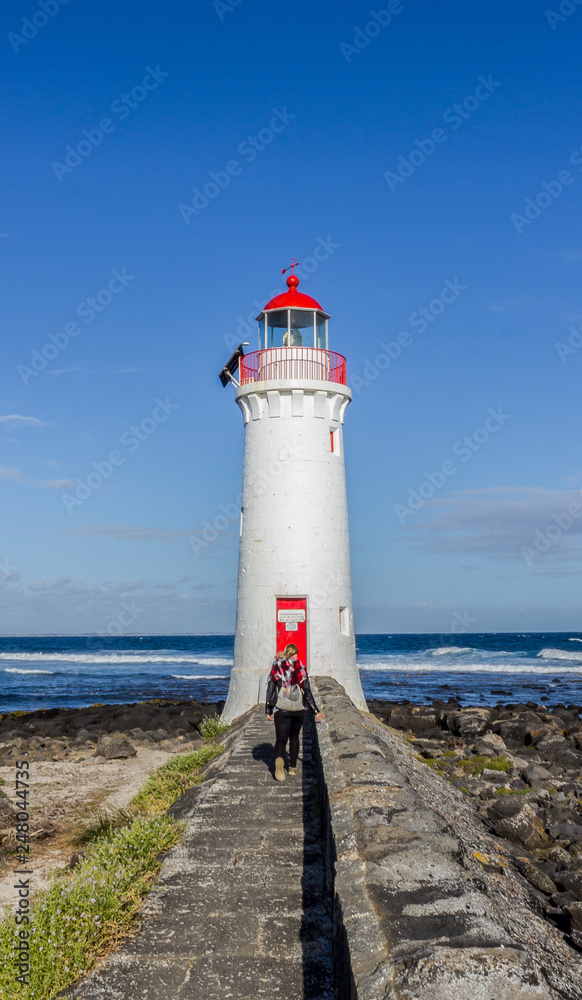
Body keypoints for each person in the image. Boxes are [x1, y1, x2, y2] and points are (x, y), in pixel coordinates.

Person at [265, 643, 323, 782]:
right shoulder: (300, 667)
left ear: (286, 653)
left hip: (282, 709)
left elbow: (271, 687)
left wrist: (269, 708)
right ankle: (292, 767)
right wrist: (316, 711)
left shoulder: (277, 666)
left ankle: (279, 762)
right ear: (296, 654)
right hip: (298, 710)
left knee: (281, 739)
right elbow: (307, 692)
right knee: (295, 737)